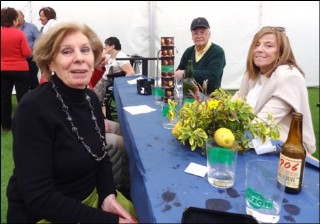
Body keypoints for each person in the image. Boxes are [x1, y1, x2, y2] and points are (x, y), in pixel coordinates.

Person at [6, 22, 137, 223]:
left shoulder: (90, 99)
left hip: (93, 199)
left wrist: (108, 195)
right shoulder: (33, 109)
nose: (79, 58)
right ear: (50, 63)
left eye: (85, 50)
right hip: (48, 214)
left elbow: (101, 156)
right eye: (67, 52)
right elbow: (40, 197)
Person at [233, 26, 316, 155]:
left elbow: (262, 124)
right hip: (254, 144)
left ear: (281, 52)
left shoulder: (289, 76)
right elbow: (236, 101)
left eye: (268, 46)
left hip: (283, 153)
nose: (259, 49)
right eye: (257, 45)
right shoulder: (252, 74)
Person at [174, 17, 226, 95]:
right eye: (195, 33)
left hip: (210, 99)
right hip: (189, 96)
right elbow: (179, 71)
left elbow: (212, 76)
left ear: (209, 34)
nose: (199, 36)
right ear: (192, 36)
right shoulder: (188, 51)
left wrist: (186, 73)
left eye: (202, 32)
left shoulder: (217, 52)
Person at [1, 7, 32, 132]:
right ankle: (23, 123)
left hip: (2, 70)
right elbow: (27, 53)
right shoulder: (19, 34)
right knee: (22, 96)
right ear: (14, 20)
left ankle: (6, 125)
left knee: (4, 97)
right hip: (20, 69)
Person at [93, 37, 135, 102]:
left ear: (112, 46)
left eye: (106, 45)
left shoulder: (121, 56)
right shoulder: (112, 56)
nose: (104, 47)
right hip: (105, 80)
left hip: (108, 81)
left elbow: (131, 72)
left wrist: (121, 85)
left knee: (93, 92)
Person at [16, 9, 40, 90]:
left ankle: (36, 99)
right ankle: (25, 100)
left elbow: (39, 40)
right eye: (15, 17)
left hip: (31, 59)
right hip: (18, 60)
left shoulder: (32, 27)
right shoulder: (12, 29)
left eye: (18, 16)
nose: (16, 18)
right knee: (21, 82)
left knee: (33, 80)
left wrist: (33, 50)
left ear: (23, 16)